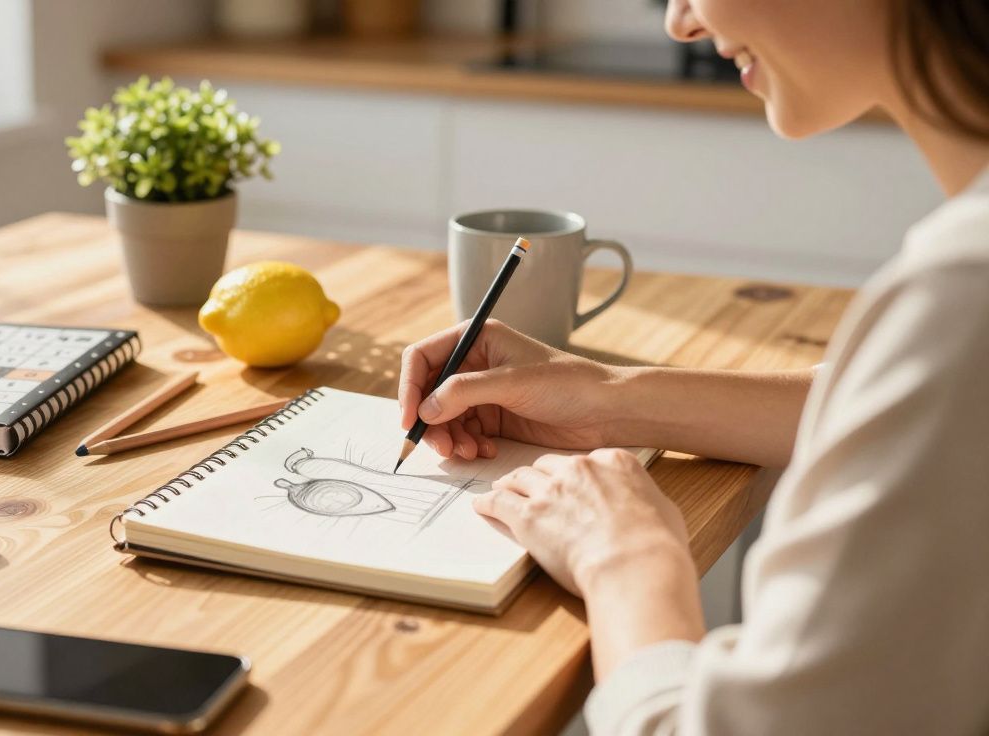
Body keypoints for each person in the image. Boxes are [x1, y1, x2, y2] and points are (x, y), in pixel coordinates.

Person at [397, 1, 989, 733]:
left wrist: (625, 555)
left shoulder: (964, 294)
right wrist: (609, 396)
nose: (680, 22)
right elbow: (932, 411)